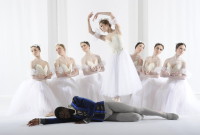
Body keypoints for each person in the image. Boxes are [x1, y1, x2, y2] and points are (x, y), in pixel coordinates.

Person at [88, 12, 142, 102]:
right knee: (114, 77)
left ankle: (125, 99)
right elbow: (90, 31)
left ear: (107, 25)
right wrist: (88, 19)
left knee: (124, 76)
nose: (101, 28)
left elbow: (110, 14)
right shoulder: (104, 37)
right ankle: (116, 98)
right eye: (100, 26)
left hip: (122, 55)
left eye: (102, 26)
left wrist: (99, 13)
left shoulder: (117, 30)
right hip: (113, 57)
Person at [27, 96, 179, 126]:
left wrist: (86, 119)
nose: (66, 115)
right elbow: (56, 120)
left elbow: (92, 105)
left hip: (107, 107)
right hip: (106, 118)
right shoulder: (70, 117)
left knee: (137, 109)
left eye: (65, 112)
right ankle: (144, 114)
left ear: (65, 107)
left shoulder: (75, 101)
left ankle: (163, 114)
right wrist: (40, 121)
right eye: (64, 116)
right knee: (136, 118)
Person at [8, 45, 59, 116]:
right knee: (40, 92)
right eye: (32, 51)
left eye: (35, 50)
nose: (33, 52)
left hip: (44, 82)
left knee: (46, 95)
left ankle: (49, 110)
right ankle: (43, 111)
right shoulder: (32, 62)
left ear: (39, 50)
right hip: (37, 82)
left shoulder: (45, 62)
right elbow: (33, 76)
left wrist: (49, 75)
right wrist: (42, 77)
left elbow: (48, 75)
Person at [154, 43, 200, 114]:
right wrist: (168, 75)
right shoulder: (167, 60)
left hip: (179, 82)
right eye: (180, 48)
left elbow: (184, 77)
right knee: (164, 90)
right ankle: (165, 111)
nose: (182, 51)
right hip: (170, 81)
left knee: (172, 89)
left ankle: (175, 111)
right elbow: (162, 74)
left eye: (184, 49)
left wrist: (176, 75)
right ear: (176, 49)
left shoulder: (183, 62)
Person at [130, 43, 166, 109]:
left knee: (146, 87)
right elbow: (143, 68)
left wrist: (150, 73)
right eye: (157, 48)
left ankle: (148, 108)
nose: (158, 50)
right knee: (138, 90)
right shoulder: (147, 58)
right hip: (144, 77)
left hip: (152, 79)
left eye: (161, 49)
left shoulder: (159, 60)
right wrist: (144, 71)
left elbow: (157, 74)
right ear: (154, 48)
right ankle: (139, 108)